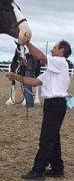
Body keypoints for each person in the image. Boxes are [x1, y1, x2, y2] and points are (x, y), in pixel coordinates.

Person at [6, 40, 72, 180]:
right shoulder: (53, 69)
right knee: (53, 137)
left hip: (55, 104)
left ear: (62, 51)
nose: (52, 50)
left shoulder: (60, 62)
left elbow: (41, 57)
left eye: (54, 48)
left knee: (46, 138)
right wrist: (16, 77)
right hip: (53, 104)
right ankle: (57, 168)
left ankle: (38, 170)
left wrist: (27, 43)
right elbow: (35, 82)